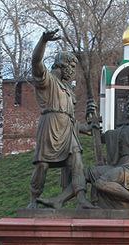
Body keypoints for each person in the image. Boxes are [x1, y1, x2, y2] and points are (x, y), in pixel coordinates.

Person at [28, 29, 92, 209]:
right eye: (71, 67)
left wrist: (87, 128)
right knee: (42, 165)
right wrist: (43, 41)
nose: (73, 71)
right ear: (62, 66)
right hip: (50, 127)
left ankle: (81, 199)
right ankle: (33, 199)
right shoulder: (48, 81)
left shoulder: (68, 91)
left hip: (68, 131)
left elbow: (71, 119)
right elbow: (36, 62)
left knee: (77, 162)